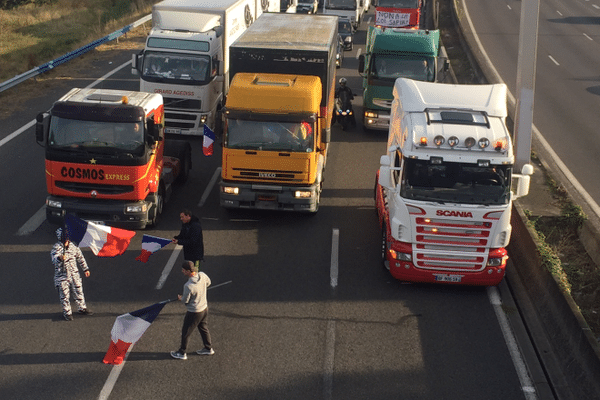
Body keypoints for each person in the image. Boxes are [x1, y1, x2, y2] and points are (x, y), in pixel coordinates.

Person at [170, 261, 213, 360]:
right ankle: (208, 348)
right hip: (204, 308)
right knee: (203, 328)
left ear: (188, 271)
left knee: (186, 332)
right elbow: (209, 283)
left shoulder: (188, 285)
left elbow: (185, 301)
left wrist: (181, 298)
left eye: (183, 270)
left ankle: (182, 352)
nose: (182, 271)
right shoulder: (202, 275)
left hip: (194, 312)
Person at [50, 227, 93, 321]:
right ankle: (67, 312)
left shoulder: (73, 246)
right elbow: (54, 259)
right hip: (62, 276)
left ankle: (82, 308)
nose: (67, 240)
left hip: (74, 274)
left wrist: (85, 269)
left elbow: (80, 257)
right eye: (65, 238)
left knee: (78, 290)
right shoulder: (56, 248)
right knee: (64, 295)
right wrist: (60, 258)